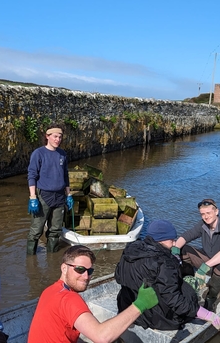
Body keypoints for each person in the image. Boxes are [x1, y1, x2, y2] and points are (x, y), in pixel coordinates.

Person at [28, 245, 158, 343]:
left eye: (89, 271)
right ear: (64, 268)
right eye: (80, 269)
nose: (86, 276)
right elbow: (101, 337)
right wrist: (141, 304)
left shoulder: (50, 291)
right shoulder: (69, 299)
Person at [115, 219, 220, 331]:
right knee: (189, 285)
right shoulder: (164, 263)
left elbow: (118, 276)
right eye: (172, 239)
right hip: (157, 319)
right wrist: (205, 314)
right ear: (162, 239)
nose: (174, 242)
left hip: (128, 309)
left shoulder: (130, 250)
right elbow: (174, 299)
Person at [174, 199, 220, 313]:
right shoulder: (203, 224)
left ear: (216, 212)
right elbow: (186, 236)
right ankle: (189, 284)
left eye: (208, 213)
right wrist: (175, 250)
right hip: (210, 262)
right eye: (202, 214)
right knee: (184, 249)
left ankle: (211, 299)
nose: (206, 217)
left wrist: (203, 268)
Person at [26, 123, 74, 254]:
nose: (57, 139)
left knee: (55, 230)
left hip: (59, 197)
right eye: (55, 136)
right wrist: (33, 197)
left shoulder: (62, 154)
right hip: (43, 196)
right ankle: (30, 260)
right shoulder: (38, 153)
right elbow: (32, 175)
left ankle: (51, 257)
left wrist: (68, 195)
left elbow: (65, 175)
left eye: (60, 137)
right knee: (36, 230)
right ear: (47, 136)